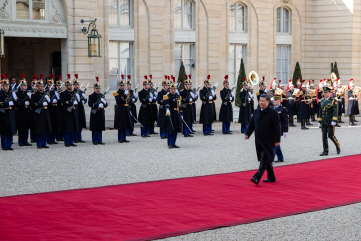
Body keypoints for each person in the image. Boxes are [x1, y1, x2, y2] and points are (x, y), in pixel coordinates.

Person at [245, 94, 281, 185]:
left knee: (264, 159)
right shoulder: (256, 111)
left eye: (263, 101)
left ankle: (257, 178)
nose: (261, 102)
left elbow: (277, 128)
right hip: (259, 140)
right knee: (267, 159)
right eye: (260, 101)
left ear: (268, 102)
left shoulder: (273, 113)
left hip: (268, 141)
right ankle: (271, 177)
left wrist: (277, 140)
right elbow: (251, 124)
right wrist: (247, 134)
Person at [318, 86, 341, 156]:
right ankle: (325, 151)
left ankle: (337, 146)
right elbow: (320, 112)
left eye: (326, 92)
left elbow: (335, 111)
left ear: (329, 93)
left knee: (331, 136)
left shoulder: (333, 100)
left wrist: (334, 120)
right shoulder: (322, 101)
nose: (324, 94)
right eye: (324, 92)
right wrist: (319, 121)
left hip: (330, 121)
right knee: (324, 136)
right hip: (324, 121)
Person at [31, 80, 52, 149]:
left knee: (45, 129)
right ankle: (39, 143)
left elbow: (49, 104)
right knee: (39, 129)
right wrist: (41, 104)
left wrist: (49, 100)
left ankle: (44, 143)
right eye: (40, 86)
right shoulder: (34, 94)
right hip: (38, 113)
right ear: (37, 87)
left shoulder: (45, 94)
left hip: (45, 113)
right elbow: (33, 104)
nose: (41, 88)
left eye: (42, 86)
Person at [60, 77, 79, 147]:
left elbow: (78, 102)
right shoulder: (63, 93)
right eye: (69, 85)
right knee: (67, 127)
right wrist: (70, 103)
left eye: (71, 85)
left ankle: (71, 141)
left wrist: (77, 101)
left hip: (73, 111)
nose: (70, 86)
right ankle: (67, 141)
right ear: (66, 86)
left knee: (73, 127)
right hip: (67, 112)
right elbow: (63, 102)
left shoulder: (74, 93)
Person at [88, 77, 108, 145]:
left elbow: (106, 105)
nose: (99, 89)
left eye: (99, 88)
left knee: (100, 127)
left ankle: (99, 139)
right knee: (95, 127)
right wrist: (97, 105)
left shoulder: (102, 95)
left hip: (100, 113)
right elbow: (90, 104)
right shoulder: (91, 96)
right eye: (97, 88)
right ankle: (95, 140)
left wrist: (104, 102)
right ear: (95, 89)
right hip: (95, 113)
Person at [0, 75, 17, 150]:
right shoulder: (0, 93)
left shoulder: (10, 93)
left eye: (8, 86)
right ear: (3, 86)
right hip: (4, 113)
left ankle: (9, 145)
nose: (7, 87)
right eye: (5, 86)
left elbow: (16, 103)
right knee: (4, 129)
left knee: (10, 129)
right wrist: (7, 104)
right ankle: (4, 145)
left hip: (10, 112)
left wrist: (15, 98)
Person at [15, 75, 32, 146]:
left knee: (27, 127)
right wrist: (23, 103)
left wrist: (30, 97)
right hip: (21, 111)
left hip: (27, 111)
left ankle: (25, 140)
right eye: (24, 85)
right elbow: (17, 102)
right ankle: (21, 141)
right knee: (21, 127)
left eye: (26, 85)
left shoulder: (27, 92)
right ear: (21, 86)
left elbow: (32, 102)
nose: (25, 86)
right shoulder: (17, 92)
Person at [164, 83, 182, 148]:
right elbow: (166, 103)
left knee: (176, 129)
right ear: (170, 89)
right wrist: (167, 109)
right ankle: (170, 143)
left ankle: (174, 143)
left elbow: (179, 104)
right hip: (171, 113)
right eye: (173, 89)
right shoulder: (168, 95)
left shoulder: (177, 95)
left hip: (176, 113)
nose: (174, 90)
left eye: (175, 88)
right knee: (170, 129)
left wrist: (180, 112)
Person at [114, 76, 132, 143]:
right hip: (120, 109)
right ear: (119, 86)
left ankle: (124, 137)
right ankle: (120, 138)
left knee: (125, 124)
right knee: (120, 125)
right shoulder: (117, 92)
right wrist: (124, 95)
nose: (123, 87)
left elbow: (128, 101)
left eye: (123, 85)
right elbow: (119, 100)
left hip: (126, 109)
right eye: (121, 85)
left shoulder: (126, 92)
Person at [272, 93, 288, 162]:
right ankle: (280, 157)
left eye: (276, 100)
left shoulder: (282, 109)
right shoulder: (271, 108)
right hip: (271, 128)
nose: (274, 101)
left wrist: (285, 131)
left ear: (279, 101)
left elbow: (285, 121)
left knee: (274, 143)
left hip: (279, 129)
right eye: (274, 100)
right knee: (276, 143)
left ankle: (271, 158)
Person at [47, 75, 61, 144]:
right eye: (51, 85)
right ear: (48, 86)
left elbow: (60, 101)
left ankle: (53, 138)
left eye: (53, 85)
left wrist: (58, 99)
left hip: (56, 109)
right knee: (50, 125)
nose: (53, 87)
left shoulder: (55, 92)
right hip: (50, 109)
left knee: (55, 125)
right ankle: (49, 139)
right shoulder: (46, 92)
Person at [73, 74, 87, 143]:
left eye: (78, 84)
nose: (78, 86)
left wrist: (84, 100)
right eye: (76, 85)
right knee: (76, 124)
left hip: (81, 109)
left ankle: (79, 137)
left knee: (80, 123)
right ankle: (75, 138)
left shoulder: (81, 92)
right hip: (76, 109)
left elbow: (85, 100)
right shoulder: (73, 92)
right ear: (74, 85)